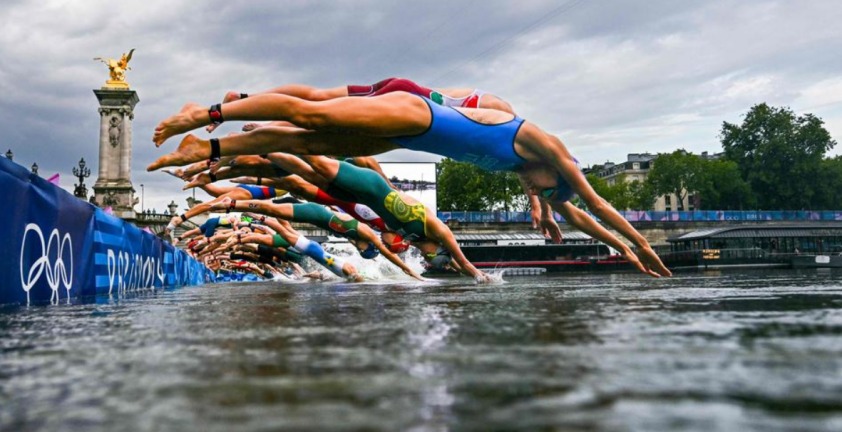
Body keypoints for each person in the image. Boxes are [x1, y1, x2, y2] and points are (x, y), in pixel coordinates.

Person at [150, 91, 671, 277]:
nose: (536, 193)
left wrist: (623, 253)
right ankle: (208, 114)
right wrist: (642, 244)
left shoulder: (531, 174)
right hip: (414, 112)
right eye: (545, 191)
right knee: (309, 115)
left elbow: (578, 214)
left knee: (309, 143)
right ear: (557, 171)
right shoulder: (545, 145)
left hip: (406, 137)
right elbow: (595, 201)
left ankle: (210, 152)